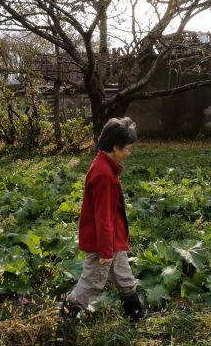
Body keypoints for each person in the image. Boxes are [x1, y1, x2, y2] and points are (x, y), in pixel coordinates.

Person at [61, 117, 146, 321]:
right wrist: (106, 249)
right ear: (115, 147)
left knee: (123, 276)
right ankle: (66, 314)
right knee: (92, 281)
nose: (129, 153)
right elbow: (103, 216)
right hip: (104, 242)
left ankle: (136, 313)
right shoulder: (104, 175)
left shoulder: (102, 164)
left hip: (111, 238)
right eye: (128, 149)